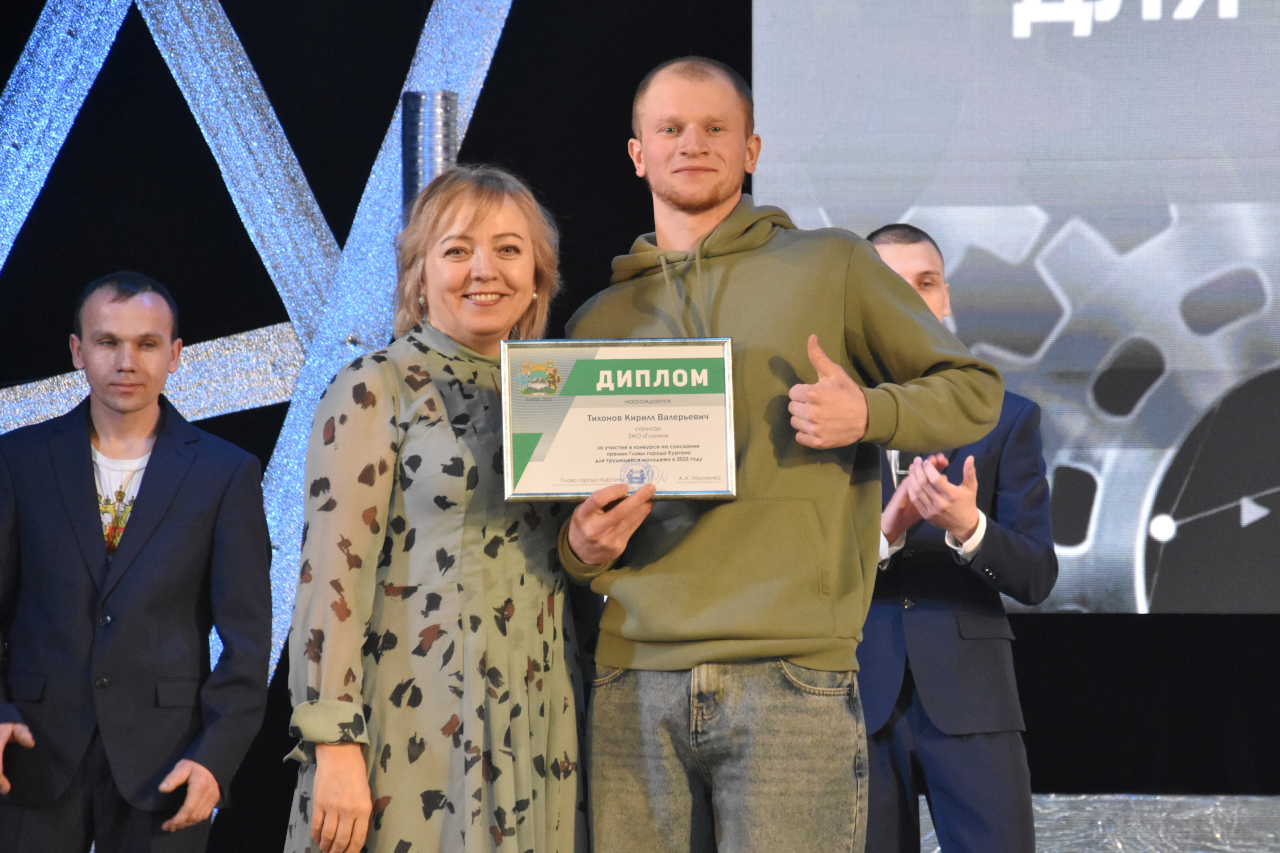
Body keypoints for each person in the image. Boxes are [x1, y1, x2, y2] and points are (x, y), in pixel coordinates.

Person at [558, 57, 1005, 852]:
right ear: (637, 153)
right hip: (634, 677)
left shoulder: (831, 265)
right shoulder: (597, 322)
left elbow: (973, 390)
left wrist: (868, 410)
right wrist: (579, 546)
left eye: (715, 128)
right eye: (670, 128)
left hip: (792, 677)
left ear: (752, 149)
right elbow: (565, 519)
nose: (692, 143)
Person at [284, 165, 587, 853]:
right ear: (419, 275)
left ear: (538, 275)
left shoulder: (556, 393)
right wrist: (335, 741)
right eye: (457, 250)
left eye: (508, 249)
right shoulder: (376, 386)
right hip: (414, 723)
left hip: (537, 719)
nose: (484, 269)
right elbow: (332, 577)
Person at [0, 271, 273, 852]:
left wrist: (217, 757)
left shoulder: (225, 473)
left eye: (147, 344)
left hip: (167, 760)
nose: (127, 362)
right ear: (78, 350)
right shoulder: (18, 460)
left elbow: (248, 642)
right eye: (108, 342)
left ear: (175, 354)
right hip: (33, 750)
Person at [862, 223, 1058, 852]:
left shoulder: (1007, 417)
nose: (914, 298)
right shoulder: (823, 423)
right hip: (849, 693)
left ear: (945, 297)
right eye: (892, 285)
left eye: (926, 283)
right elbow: (790, 568)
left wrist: (969, 529)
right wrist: (886, 532)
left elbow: (1036, 576)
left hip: (973, 694)